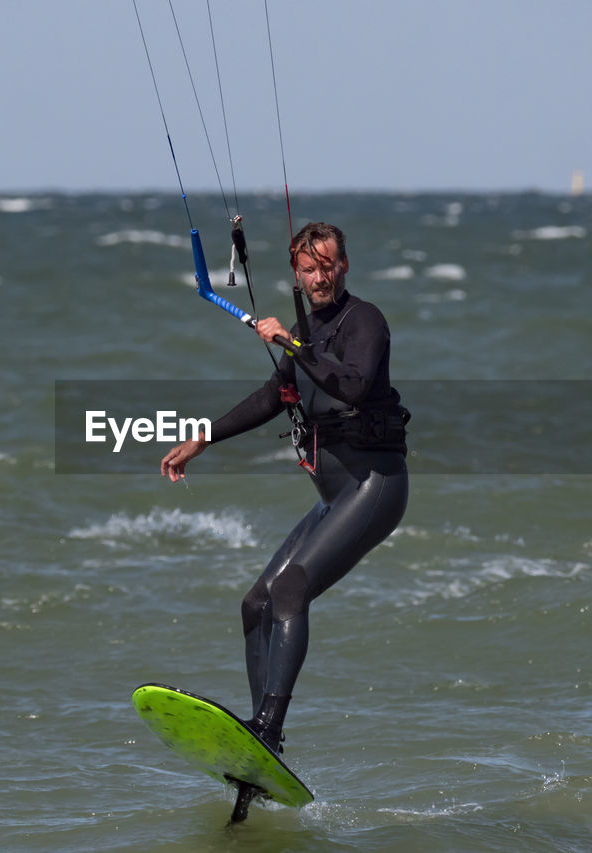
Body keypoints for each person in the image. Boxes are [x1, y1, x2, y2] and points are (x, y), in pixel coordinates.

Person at [160, 222, 410, 755]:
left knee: (292, 589)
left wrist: (290, 341)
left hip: (375, 485)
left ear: (345, 265)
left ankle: (269, 726)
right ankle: (260, 737)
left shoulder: (364, 320)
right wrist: (203, 439)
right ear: (295, 274)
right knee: (257, 603)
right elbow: (274, 395)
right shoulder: (307, 332)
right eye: (309, 268)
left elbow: (354, 384)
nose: (320, 277)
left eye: (328, 265)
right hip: (334, 497)